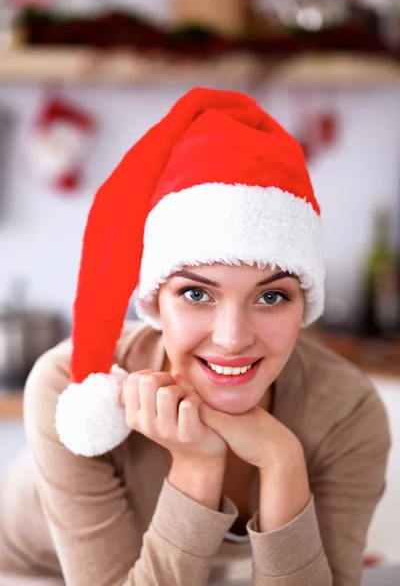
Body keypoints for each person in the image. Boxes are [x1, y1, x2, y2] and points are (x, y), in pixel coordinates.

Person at [0, 88, 391, 586]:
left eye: (270, 298)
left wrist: (282, 460)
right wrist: (196, 468)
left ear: (305, 304)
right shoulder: (68, 389)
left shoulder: (348, 411)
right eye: (196, 294)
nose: (232, 339)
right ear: (154, 300)